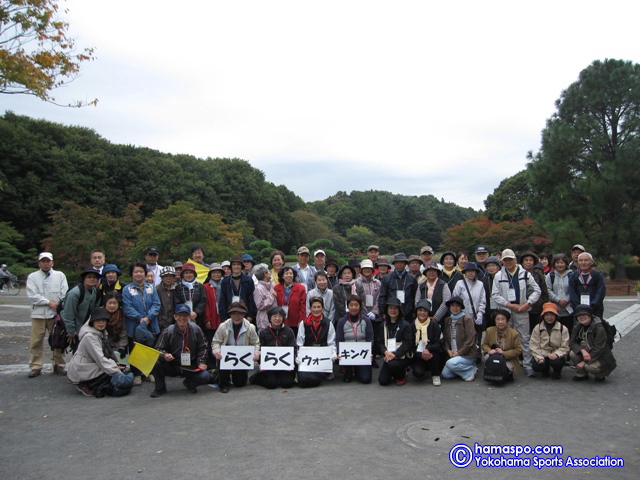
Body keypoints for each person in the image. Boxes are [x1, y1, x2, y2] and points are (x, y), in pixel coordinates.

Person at [491, 248, 541, 378]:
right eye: (505, 260)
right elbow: (495, 295)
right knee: (506, 338)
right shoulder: (498, 275)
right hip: (506, 311)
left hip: (522, 310)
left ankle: (528, 365)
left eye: (510, 259)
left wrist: (528, 304)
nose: (508, 262)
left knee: (524, 338)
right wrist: (508, 305)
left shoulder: (525, 274)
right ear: (502, 261)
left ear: (515, 260)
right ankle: (507, 363)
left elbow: (537, 290)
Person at [67, 308, 134, 397]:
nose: (101, 323)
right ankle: (86, 384)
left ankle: (92, 383)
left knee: (113, 373)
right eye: (98, 320)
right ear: (92, 322)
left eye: (103, 320)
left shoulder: (100, 332)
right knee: (109, 374)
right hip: (82, 367)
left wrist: (115, 366)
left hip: (90, 364)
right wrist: (116, 369)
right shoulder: (89, 337)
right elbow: (100, 358)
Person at [150, 304, 212, 397]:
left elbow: (203, 347)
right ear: (175, 317)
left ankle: (190, 383)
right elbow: (158, 349)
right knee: (156, 362)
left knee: (205, 376)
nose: (182, 318)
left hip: (191, 364)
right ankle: (160, 388)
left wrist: (201, 362)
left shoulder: (196, 329)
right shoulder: (168, 331)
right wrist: (165, 355)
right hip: (173, 364)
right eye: (179, 315)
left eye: (185, 316)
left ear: (189, 317)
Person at [26, 252, 69, 378]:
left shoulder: (60, 275)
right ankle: (36, 366)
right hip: (38, 314)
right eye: (43, 261)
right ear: (39, 263)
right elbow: (32, 296)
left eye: (48, 261)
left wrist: (58, 305)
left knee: (58, 339)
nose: (46, 263)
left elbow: (64, 292)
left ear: (52, 262)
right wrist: (48, 302)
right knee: (36, 341)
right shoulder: (33, 277)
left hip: (55, 314)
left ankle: (59, 364)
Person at [122, 262, 161, 386]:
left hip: (151, 324)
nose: (138, 274)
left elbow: (156, 304)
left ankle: (148, 372)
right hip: (134, 325)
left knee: (149, 348)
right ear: (132, 274)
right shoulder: (127, 289)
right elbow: (127, 307)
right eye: (136, 272)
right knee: (135, 349)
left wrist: (148, 318)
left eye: (141, 271)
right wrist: (140, 318)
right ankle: (136, 374)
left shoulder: (151, 287)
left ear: (145, 274)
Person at [212, 302, 260, 393]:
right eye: (234, 313)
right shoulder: (223, 326)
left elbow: (255, 343)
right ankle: (223, 381)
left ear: (244, 314)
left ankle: (237, 375)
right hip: (226, 355)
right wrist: (217, 352)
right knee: (221, 364)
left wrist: (256, 353)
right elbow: (216, 342)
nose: (237, 316)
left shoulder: (250, 327)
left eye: (240, 313)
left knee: (239, 383)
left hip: (242, 357)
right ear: (230, 314)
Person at [250, 306, 296, 389]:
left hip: (284, 364)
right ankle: (256, 377)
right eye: (274, 316)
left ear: (283, 318)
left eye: (280, 316)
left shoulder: (289, 331)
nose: (277, 319)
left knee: (287, 383)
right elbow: (260, 349)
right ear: (269, 318)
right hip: (269, 363)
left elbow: (293, 348)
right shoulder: (264, 333)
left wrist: (292, 362)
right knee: (271, 384)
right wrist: (261, 363)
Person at [296, 297, 337, 388]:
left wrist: (333, 353)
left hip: (322, 357)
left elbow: (331, 342)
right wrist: (298, 355)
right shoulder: (303, 323)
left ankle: (320, 375)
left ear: (323, 308)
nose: (316, 309)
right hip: (308, 358)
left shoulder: (328, 323)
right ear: (310, 308)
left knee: (307, 379)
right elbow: (300, 342)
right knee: (303, 378)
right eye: (314, 307)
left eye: (319, 307)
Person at [569, 305, 616, 382]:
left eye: (584, 315)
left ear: (590, 315)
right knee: (572, 353)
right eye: (579, 315)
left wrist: (584, 362)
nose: (582, 317)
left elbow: (599, 349)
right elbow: (572, 342)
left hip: (600, 355)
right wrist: (582, 351)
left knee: (589, 367)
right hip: (586, 350)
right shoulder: (578, 326)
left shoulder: (599, 328)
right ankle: (582, 374)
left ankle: (600, 375)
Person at [61, 268, 101, 354]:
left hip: (87, 329)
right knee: (78, 353)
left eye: (94, 277)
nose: (92, 279)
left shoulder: (96, 292)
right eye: (89, 277)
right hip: (75, 329)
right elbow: (68, 313)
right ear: (84, 279)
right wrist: (71, 332)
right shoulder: (75, 293)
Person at [335, 295, 374, 384]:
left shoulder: (366, 320)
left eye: (356, 305)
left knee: (366, 379)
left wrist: (369, 352)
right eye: (351, 305)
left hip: (362, 354)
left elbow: (370, 339)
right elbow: (339, 340)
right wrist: (339, 352)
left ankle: (357, 369)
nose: (354, 308)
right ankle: (349, 369)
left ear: (360, 306)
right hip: (348, 354)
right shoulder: (342, 321)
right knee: (347, 379)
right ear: (347, 306)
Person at [377, 297, 414, 386]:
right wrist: (385, 352)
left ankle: (402, 374)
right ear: (387, 310)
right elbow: (380, 342)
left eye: (395, 308)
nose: (393, 310)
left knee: (393, 365)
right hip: (388, 355)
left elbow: (408, 343)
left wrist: (394, 355)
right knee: (383, 381)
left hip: (402, 356)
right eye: (390, 308)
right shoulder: (383, 325)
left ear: (399, 310)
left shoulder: (405, 325)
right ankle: (394, 372)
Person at [441, 296, 478, 381]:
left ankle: (470, 370)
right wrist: (448, 350)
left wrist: (459, 353)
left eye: (457, 305)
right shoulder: (447, 320)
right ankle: (462, 369)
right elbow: (446, 339)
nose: (455, 308)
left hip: (467, 355)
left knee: (450, 363)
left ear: (461, 308)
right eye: (452, 305)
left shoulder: (467, 319)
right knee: (445, 375)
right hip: (453, 354)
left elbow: (471, 340)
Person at [529, 303, 569, 379]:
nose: (549, 317)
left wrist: (557, 354)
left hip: (556, 354)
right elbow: (533, 345)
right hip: (542, 353)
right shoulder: (538, 327)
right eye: (547, 315)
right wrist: (539, 357)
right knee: (537, 367)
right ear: (543, 316)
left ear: (556, 316)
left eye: (552, 315)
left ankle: (557, 371)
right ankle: (545, 369)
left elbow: (565, 347)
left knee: (556, 362)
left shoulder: (563, 328)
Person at [481, 309, 522, 381]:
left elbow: (518, 350)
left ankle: (507, 373)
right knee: (487, 358)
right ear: (495, 321)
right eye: (498, 319)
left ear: (507, 320)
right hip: (493, 356)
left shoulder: (514, 333)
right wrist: (489, 350)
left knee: (503, 370)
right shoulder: (489, 330)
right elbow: (484, 344)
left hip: (508, 359)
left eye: (503, 319)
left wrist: (503, 353)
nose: (500, 322)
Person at [410, 299, 443, 386]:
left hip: (432, 354)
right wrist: (420, 354)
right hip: (417, 355)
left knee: (435, 355)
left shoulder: (434, 326)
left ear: (428, 312)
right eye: (420, 310)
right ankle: (423, 368)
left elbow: (439, 343)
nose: (422, 313)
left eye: (425, 310)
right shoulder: (411, 327)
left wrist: (428, 349)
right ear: (416, 312)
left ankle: (435, 375)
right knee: (418, 374)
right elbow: (410, 345)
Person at [378, 253, 418, 322]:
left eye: (401, 262)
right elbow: (382, 296)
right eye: (397, 262)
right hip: (391, 313)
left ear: (405, 264)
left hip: (408, 314)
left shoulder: (412, 279)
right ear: (394, 264)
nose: (399, 264)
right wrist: (383, 312)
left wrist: (414, 311)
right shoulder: (387, 278)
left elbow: (415, 297)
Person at [356, 259, 381, 366]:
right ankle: (363, 357)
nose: (367, 270)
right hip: (361, 314)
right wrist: (363, 312)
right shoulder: (357, 282)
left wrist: (375, 312)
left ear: (372, 270)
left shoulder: (378, 283)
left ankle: (373, 357)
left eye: (369, 269)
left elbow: (380, 299)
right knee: (362, 336)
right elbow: (356, 299)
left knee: (374, 337)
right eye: (364, 269)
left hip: (375, 315)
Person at [219, 256, 257, 324]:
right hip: (229, 315)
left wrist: (250, 315)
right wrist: (224, 318)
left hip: (245, 315)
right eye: (234, 264)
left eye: (238, 264)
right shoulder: (225, 281)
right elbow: (222, 300)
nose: (236, 267)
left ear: (242, 266)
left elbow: (252, 299)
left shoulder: (248, 280)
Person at [568, 252, 606, 319]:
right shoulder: (573, 276)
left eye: (586, 260)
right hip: (578, 310)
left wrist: (592, 306)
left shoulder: (597, 276)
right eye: (581, 260)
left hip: (595, 310)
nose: (583, 263)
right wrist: (579, 307)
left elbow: (600, 292)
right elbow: (572, 293)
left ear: (592, 262)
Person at [520, 251, 549, 332]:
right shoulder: (518, 274)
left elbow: (544, 292)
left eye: (530, 260)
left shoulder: (538, 274)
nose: (528, 262)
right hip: (522, 307)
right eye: (526, 260)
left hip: (536, 308)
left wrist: (544, 305)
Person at [546, 253, 574, 334]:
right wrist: (558, 300)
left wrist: (566, 300)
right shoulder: (550, 275)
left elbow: (573, 290)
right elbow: (548, 290)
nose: (560, 265)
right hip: (554, 310)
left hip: (568, 309)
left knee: (568, 332)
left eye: (562, 262)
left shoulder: (571, 275)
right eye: (557, 263)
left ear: (566, 263)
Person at [203, 263, 224, 368]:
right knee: (211, 341)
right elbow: (205, 303)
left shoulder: (224, 284)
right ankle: (212, 365)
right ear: (210, 274)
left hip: (222, 318)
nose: (216, 274)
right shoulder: (206, 287)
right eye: (214, 272)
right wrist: (207, 319)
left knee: (223, 340)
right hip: (212, 317)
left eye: (218, 272)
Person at [274, 266, 307, 334]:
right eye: (286, 273)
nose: (289, 275)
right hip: (280, 321)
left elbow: (303, 306)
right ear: (282, 276)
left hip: (295, 321)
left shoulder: (301, 288)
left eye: (291, 273)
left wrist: (301, 321)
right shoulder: (276, 288)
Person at [174, 262, 207, 329]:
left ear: (194, 274)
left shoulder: (200, 286)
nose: (188, 275)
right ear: (182, 275)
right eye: (186, 273)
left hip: (197, 318)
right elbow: (177, 301)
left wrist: (196, 312)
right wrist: (185, 312)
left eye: (190, 273)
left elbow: (203, 300)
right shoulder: (178, 287)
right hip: (182, 317)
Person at [103, 292, 128, 362]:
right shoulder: (100, 313)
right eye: (110, 303)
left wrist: (121, 347)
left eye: (114, 303)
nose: (112, 305)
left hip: (116, 344)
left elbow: (123, 332)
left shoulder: (121, 315)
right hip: (101, 344)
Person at [253, 263, 277, 331]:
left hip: (274, 320)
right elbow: (260, 305)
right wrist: (272, 297)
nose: (270, 273)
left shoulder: (271, 286)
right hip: (264, 322)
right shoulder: (258, 288)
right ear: (265, 274)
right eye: (269, 272)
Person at [481, 256, 502, 328]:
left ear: (498, 267)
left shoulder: (503, 278)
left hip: (502, 308)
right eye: (489, 266)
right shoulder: (484, 280)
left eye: (493, 265)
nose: (491, 268)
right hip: (489, 310)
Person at [156, 266, 176, 331]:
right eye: (166, 276)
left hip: (174, 322)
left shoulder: (177, 288)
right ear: (162, 277)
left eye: (171, 276)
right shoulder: (157, 289)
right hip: (160, 322)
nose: (168, 278)